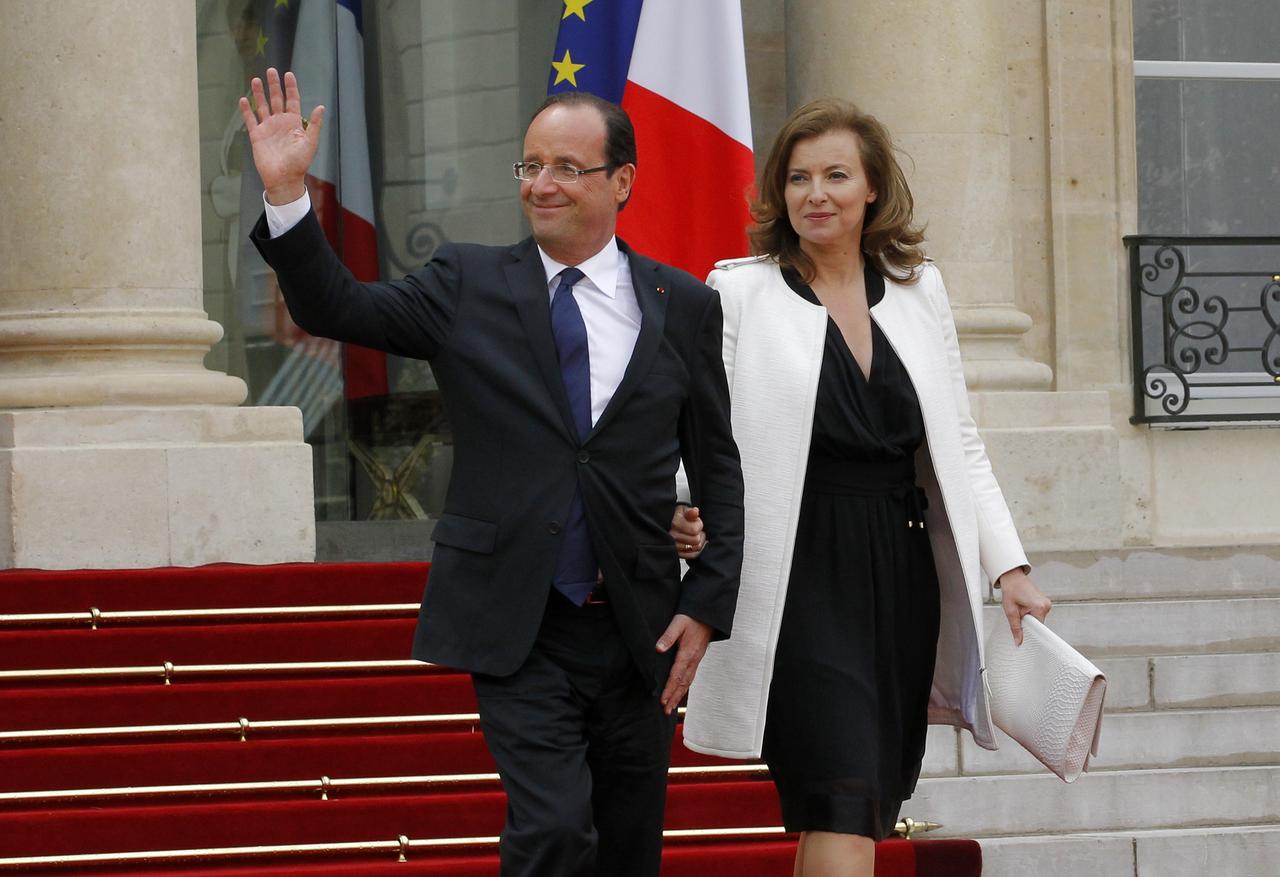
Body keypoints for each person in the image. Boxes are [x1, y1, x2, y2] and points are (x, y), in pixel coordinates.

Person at [240, 69, 744, 877]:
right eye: (530, 165)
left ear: (622, 182)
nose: (541, 184)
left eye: (566, 168)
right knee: (551, 833)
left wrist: (709, 598)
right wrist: (290, 197)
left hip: (638, 623)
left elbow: (718, 462)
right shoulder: (466, 282)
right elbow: (338, 308)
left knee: (625, 851)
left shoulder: (681, 303)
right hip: (519, 618)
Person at [676, 98, 1052, 877]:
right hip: (794, 567)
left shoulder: (921, 290)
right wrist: (682, 506)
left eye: (836, 175)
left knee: (860, 799)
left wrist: (1007, 568)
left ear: (872, 187)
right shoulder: (738, 291)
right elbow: (697, 427)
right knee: (842, 785)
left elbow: (961, 443)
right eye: (799, 177)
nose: (816, 193)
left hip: (901, 564)